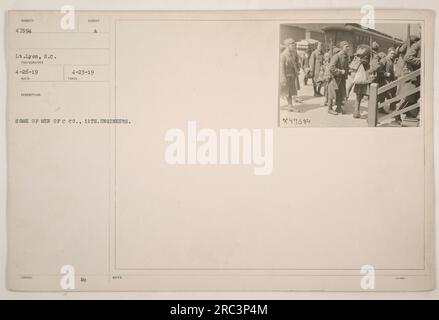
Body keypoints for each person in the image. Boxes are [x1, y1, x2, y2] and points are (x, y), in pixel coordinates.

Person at [327, 41, 350, 115]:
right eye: (346, 46)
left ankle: (338, 107)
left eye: (348, 46)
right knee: (332, 93)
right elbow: (331, 67)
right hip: (334, 78)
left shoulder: (346, 56)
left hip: (342, 79)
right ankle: (329, 108)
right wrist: (340, 71)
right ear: (342, 47)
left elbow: (346, 67)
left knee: (340, 93)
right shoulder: (336, 56)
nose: (348, 48)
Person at [350, 44, 371, 119]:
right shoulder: (366, 57)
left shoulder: (356, 57)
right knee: (369, 97)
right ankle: (370, 115)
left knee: (358, 97)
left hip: (358, 79)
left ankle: (356, 112)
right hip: (364, 79)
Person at [280, 38, 301, 112]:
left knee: (289, 92)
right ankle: (290, 106)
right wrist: (283, 78)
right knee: (284, 91)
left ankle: (290, 106)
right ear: (288, 45)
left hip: (291, 76)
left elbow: (294, 64)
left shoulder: (291, 54)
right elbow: (281, 68)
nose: (294, 46)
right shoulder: (283, 55)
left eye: (295, 45)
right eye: (293, 45)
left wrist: (296, 71)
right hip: (286, 76)